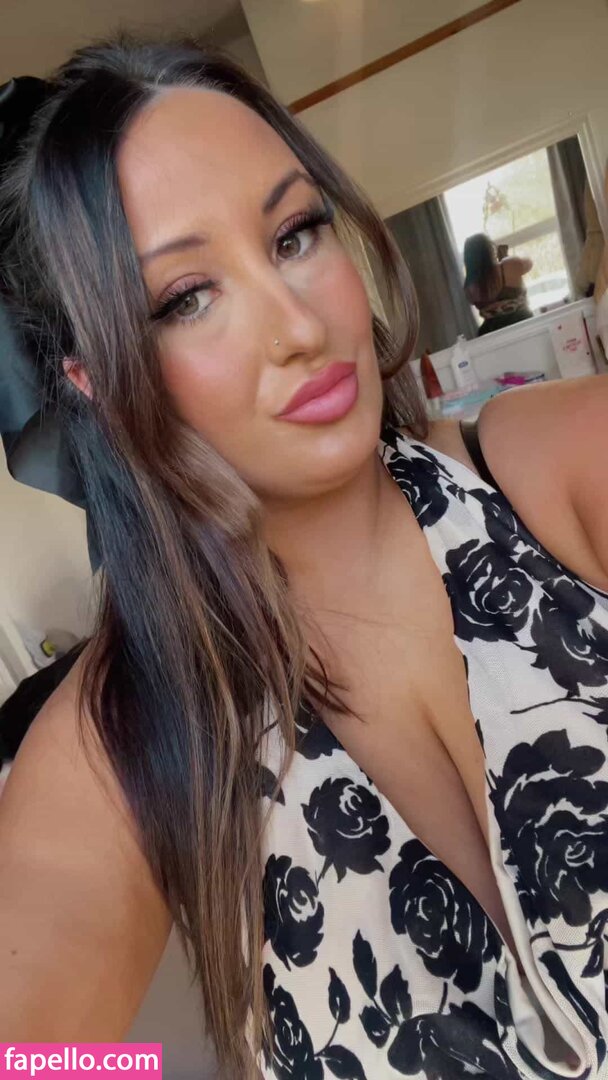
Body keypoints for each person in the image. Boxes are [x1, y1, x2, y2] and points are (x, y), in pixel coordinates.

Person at [0, 38, 607, 1080]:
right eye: (185, 297)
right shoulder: (124, 743)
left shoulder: (556, 467)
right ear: (94, 381)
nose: (298, 326)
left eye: (293, 235)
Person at [464, 232, 534, 334]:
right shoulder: (509, 265)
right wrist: (505, 258)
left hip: (490, 332)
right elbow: (529, 263)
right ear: (490, 249)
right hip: (522, 324)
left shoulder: (469, 287)